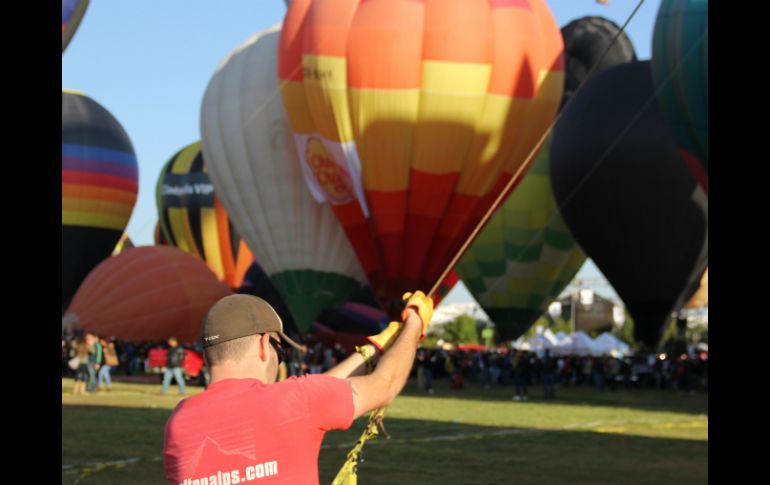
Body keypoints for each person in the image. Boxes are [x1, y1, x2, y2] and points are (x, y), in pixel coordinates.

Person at [163, 291, 433, 485]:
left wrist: (372, 350)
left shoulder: (178, 422)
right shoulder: (297, 402)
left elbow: (316, 393)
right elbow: (384, 385)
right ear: (262, 344)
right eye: (279, 350)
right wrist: (414, 323)